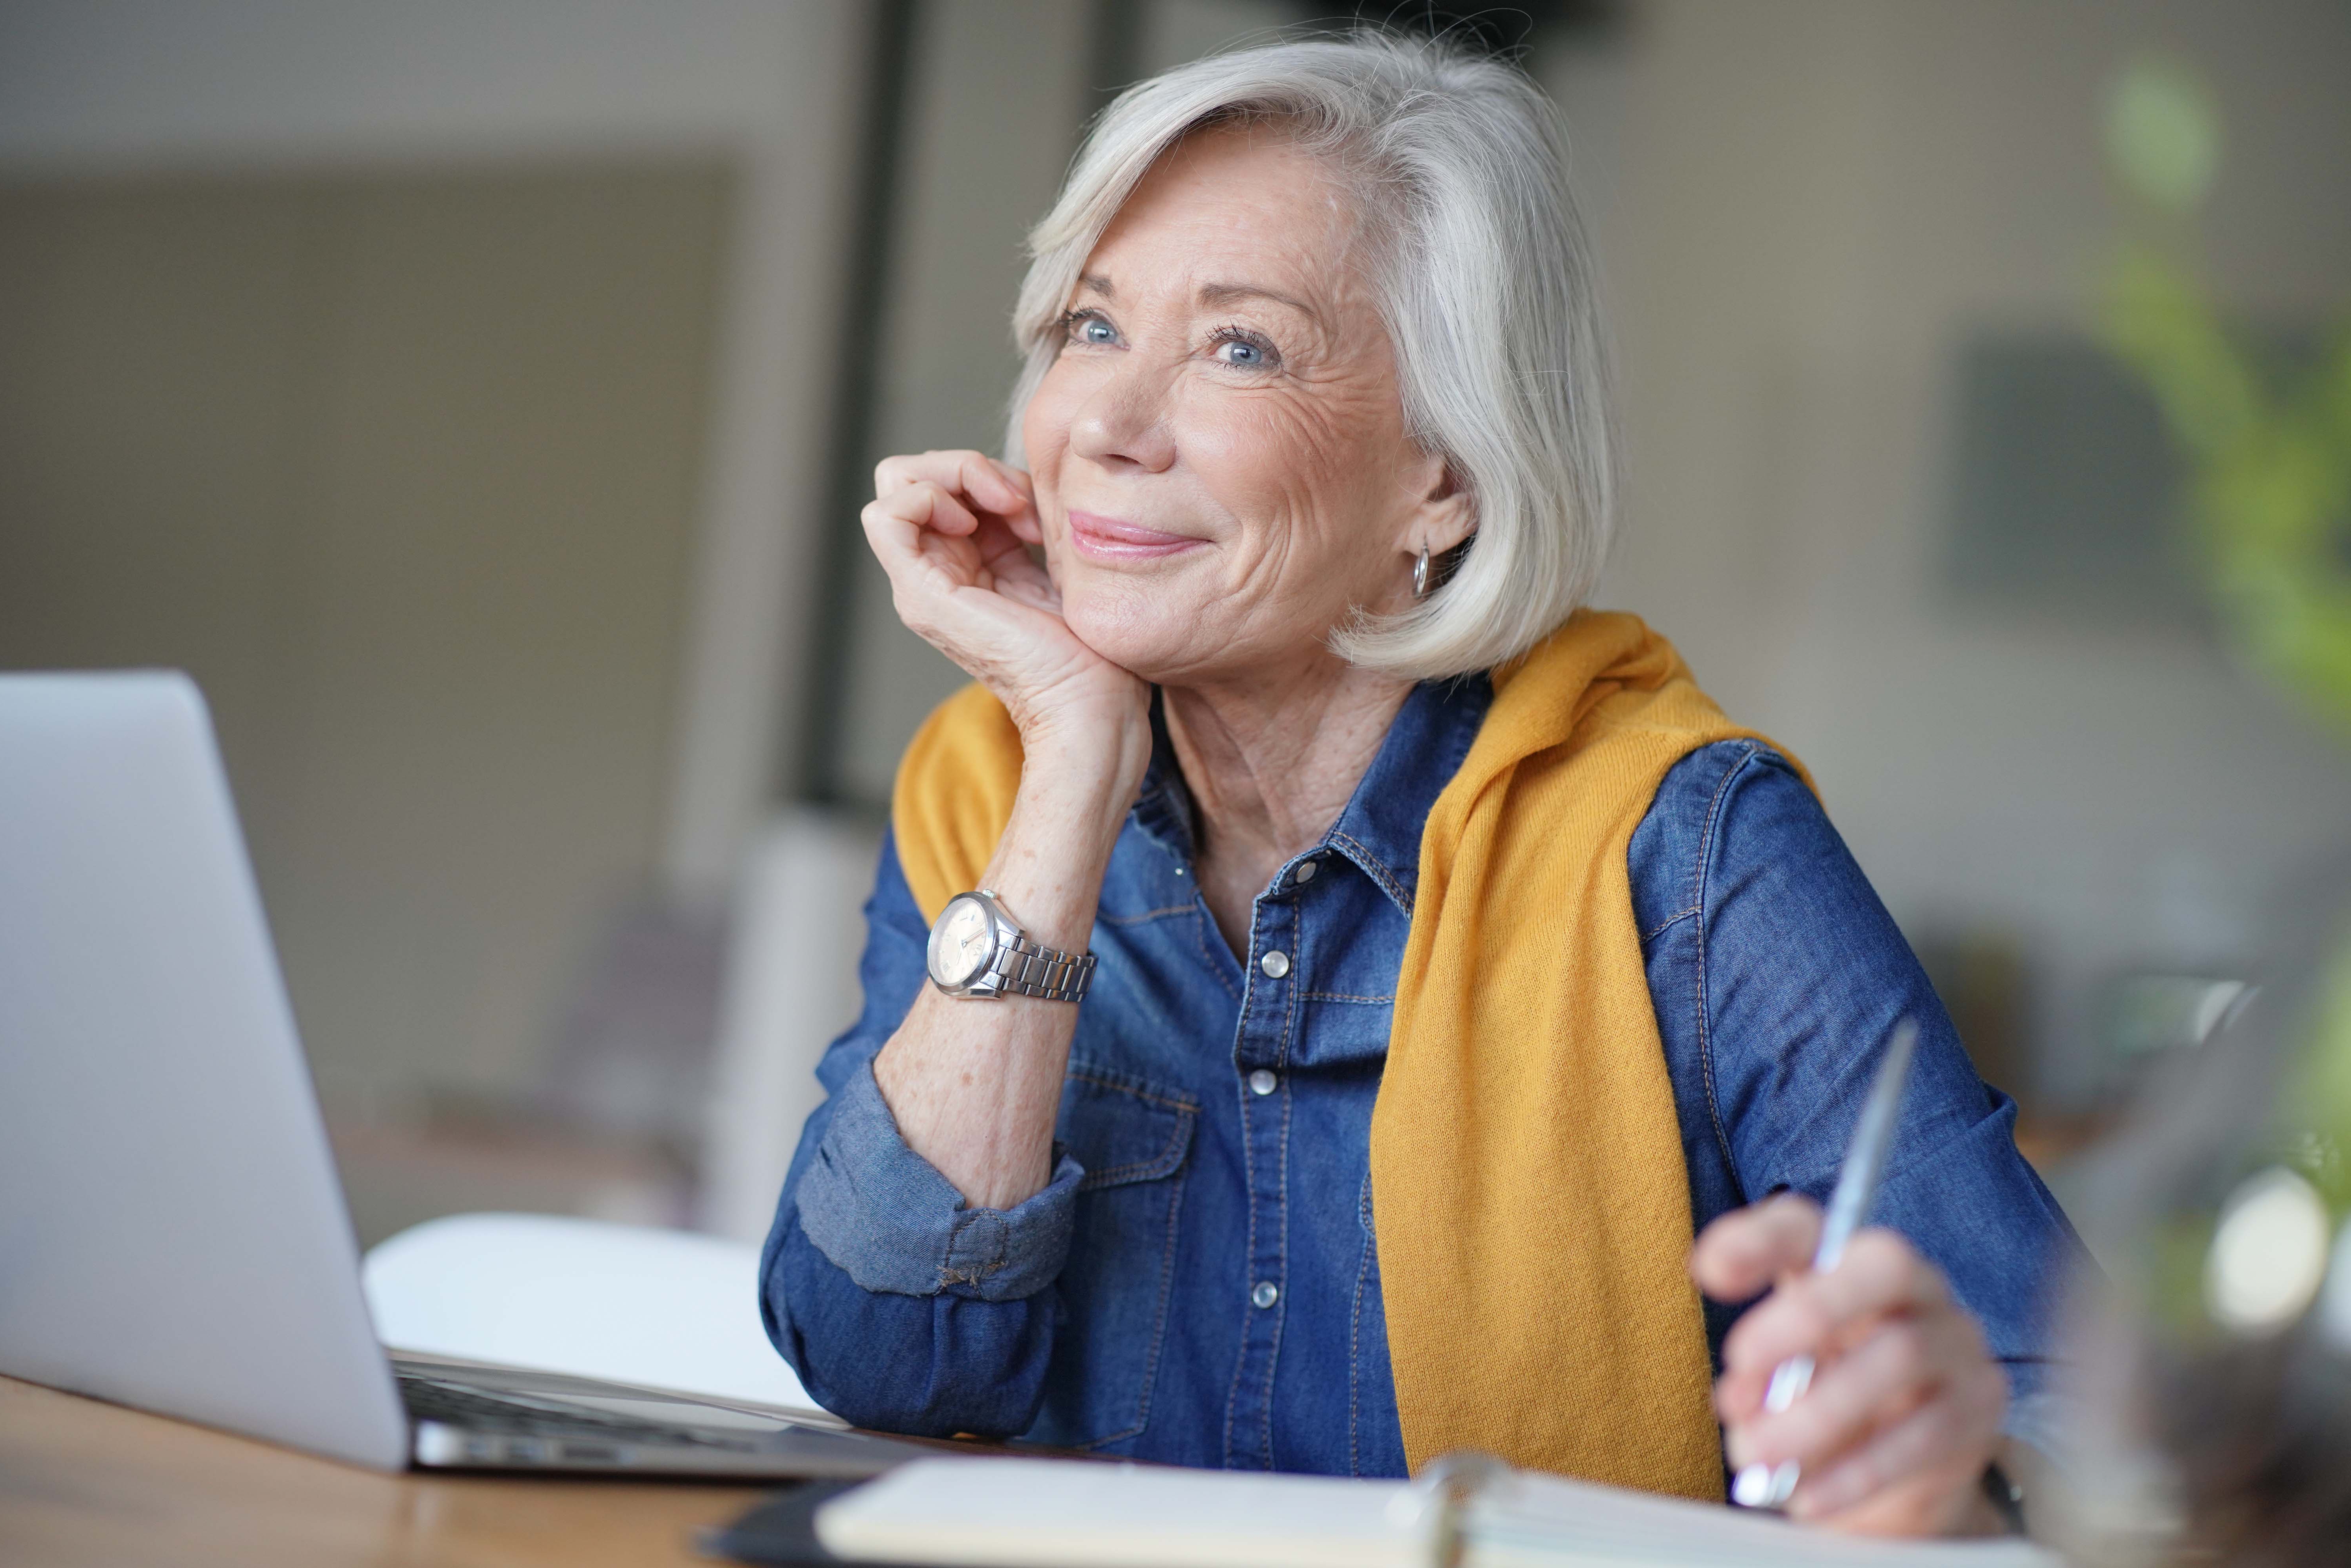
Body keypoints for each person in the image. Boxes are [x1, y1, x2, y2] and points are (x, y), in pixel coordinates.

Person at [760, 33, 2081, 1537]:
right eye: (1089, 327)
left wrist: (1942, 1449)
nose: (1108, 430)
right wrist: (1068, 761)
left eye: (1237, 346)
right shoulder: (983, 790)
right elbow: (874, 1354)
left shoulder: (1689, 851)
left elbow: (2055, 1415)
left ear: (1441, 475)